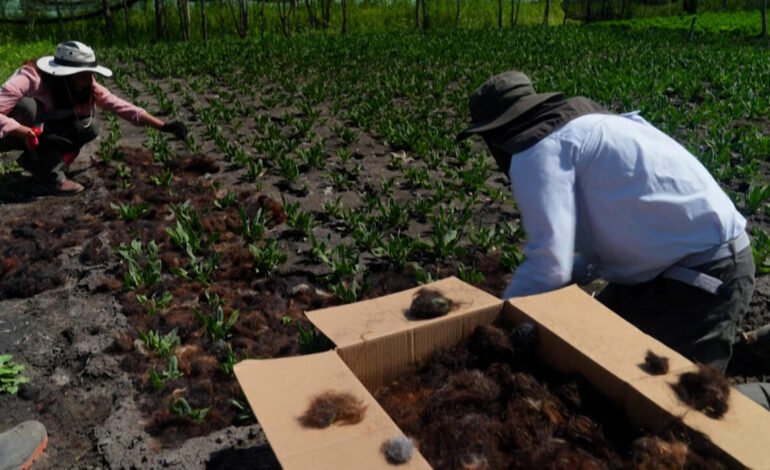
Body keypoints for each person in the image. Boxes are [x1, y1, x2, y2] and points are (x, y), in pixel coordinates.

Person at [457, 70, 770, 407]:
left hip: (706, 276)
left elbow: (548, 268)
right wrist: (578, 268)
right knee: (596, 358)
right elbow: (619, 224)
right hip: (667, 268)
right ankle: (741, 348)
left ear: (496, 135)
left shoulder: (536, 153)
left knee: (679, 408)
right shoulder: (587, 127)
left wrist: (500, 319)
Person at [0, 41, 187, 194]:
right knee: (27, 107)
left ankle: (39, 165)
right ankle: (52, 180)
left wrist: (164, 126)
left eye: (89, 73)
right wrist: (26, 132)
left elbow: (120, 105)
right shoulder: (32, 78)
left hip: (41, 132)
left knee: (88, 127)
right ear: (65, 74)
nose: (88, 78)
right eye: (82, 74)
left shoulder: (87, 85)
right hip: (9, 134)